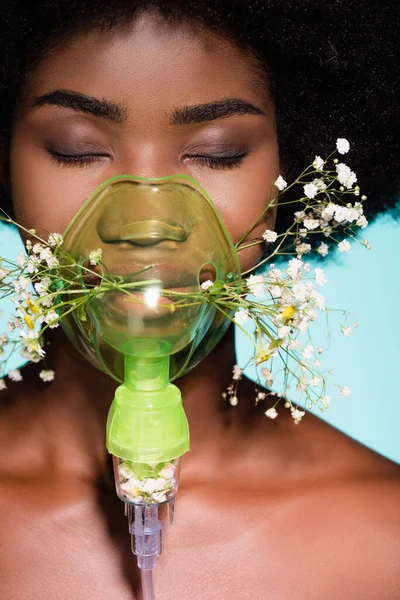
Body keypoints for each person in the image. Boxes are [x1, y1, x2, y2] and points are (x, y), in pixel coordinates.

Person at [0, 2, 399, 599]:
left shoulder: (383, 539)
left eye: (216, 153)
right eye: (76, 148)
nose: (147, 220)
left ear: (289, 174)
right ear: (4, 163)